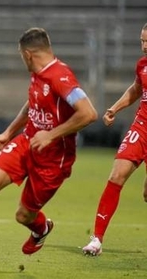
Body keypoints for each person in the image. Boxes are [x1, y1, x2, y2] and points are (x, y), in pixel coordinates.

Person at [0, 28, 97, 275]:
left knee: (24, 215)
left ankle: (41, 229)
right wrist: (8, 132)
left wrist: (51, 134)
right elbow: (32, 105)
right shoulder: (38, 73)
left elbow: (89, 113)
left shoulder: (61, 76)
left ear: (27, 54)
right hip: (27, 142)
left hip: (53, 159)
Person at [82, 22, 147, 256]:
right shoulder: (143, 65)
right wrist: (114, 108)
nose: (143, 46)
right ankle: (97, 239)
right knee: (116, 175)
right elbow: (137, 89)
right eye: (141, 40)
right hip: (142, 127)